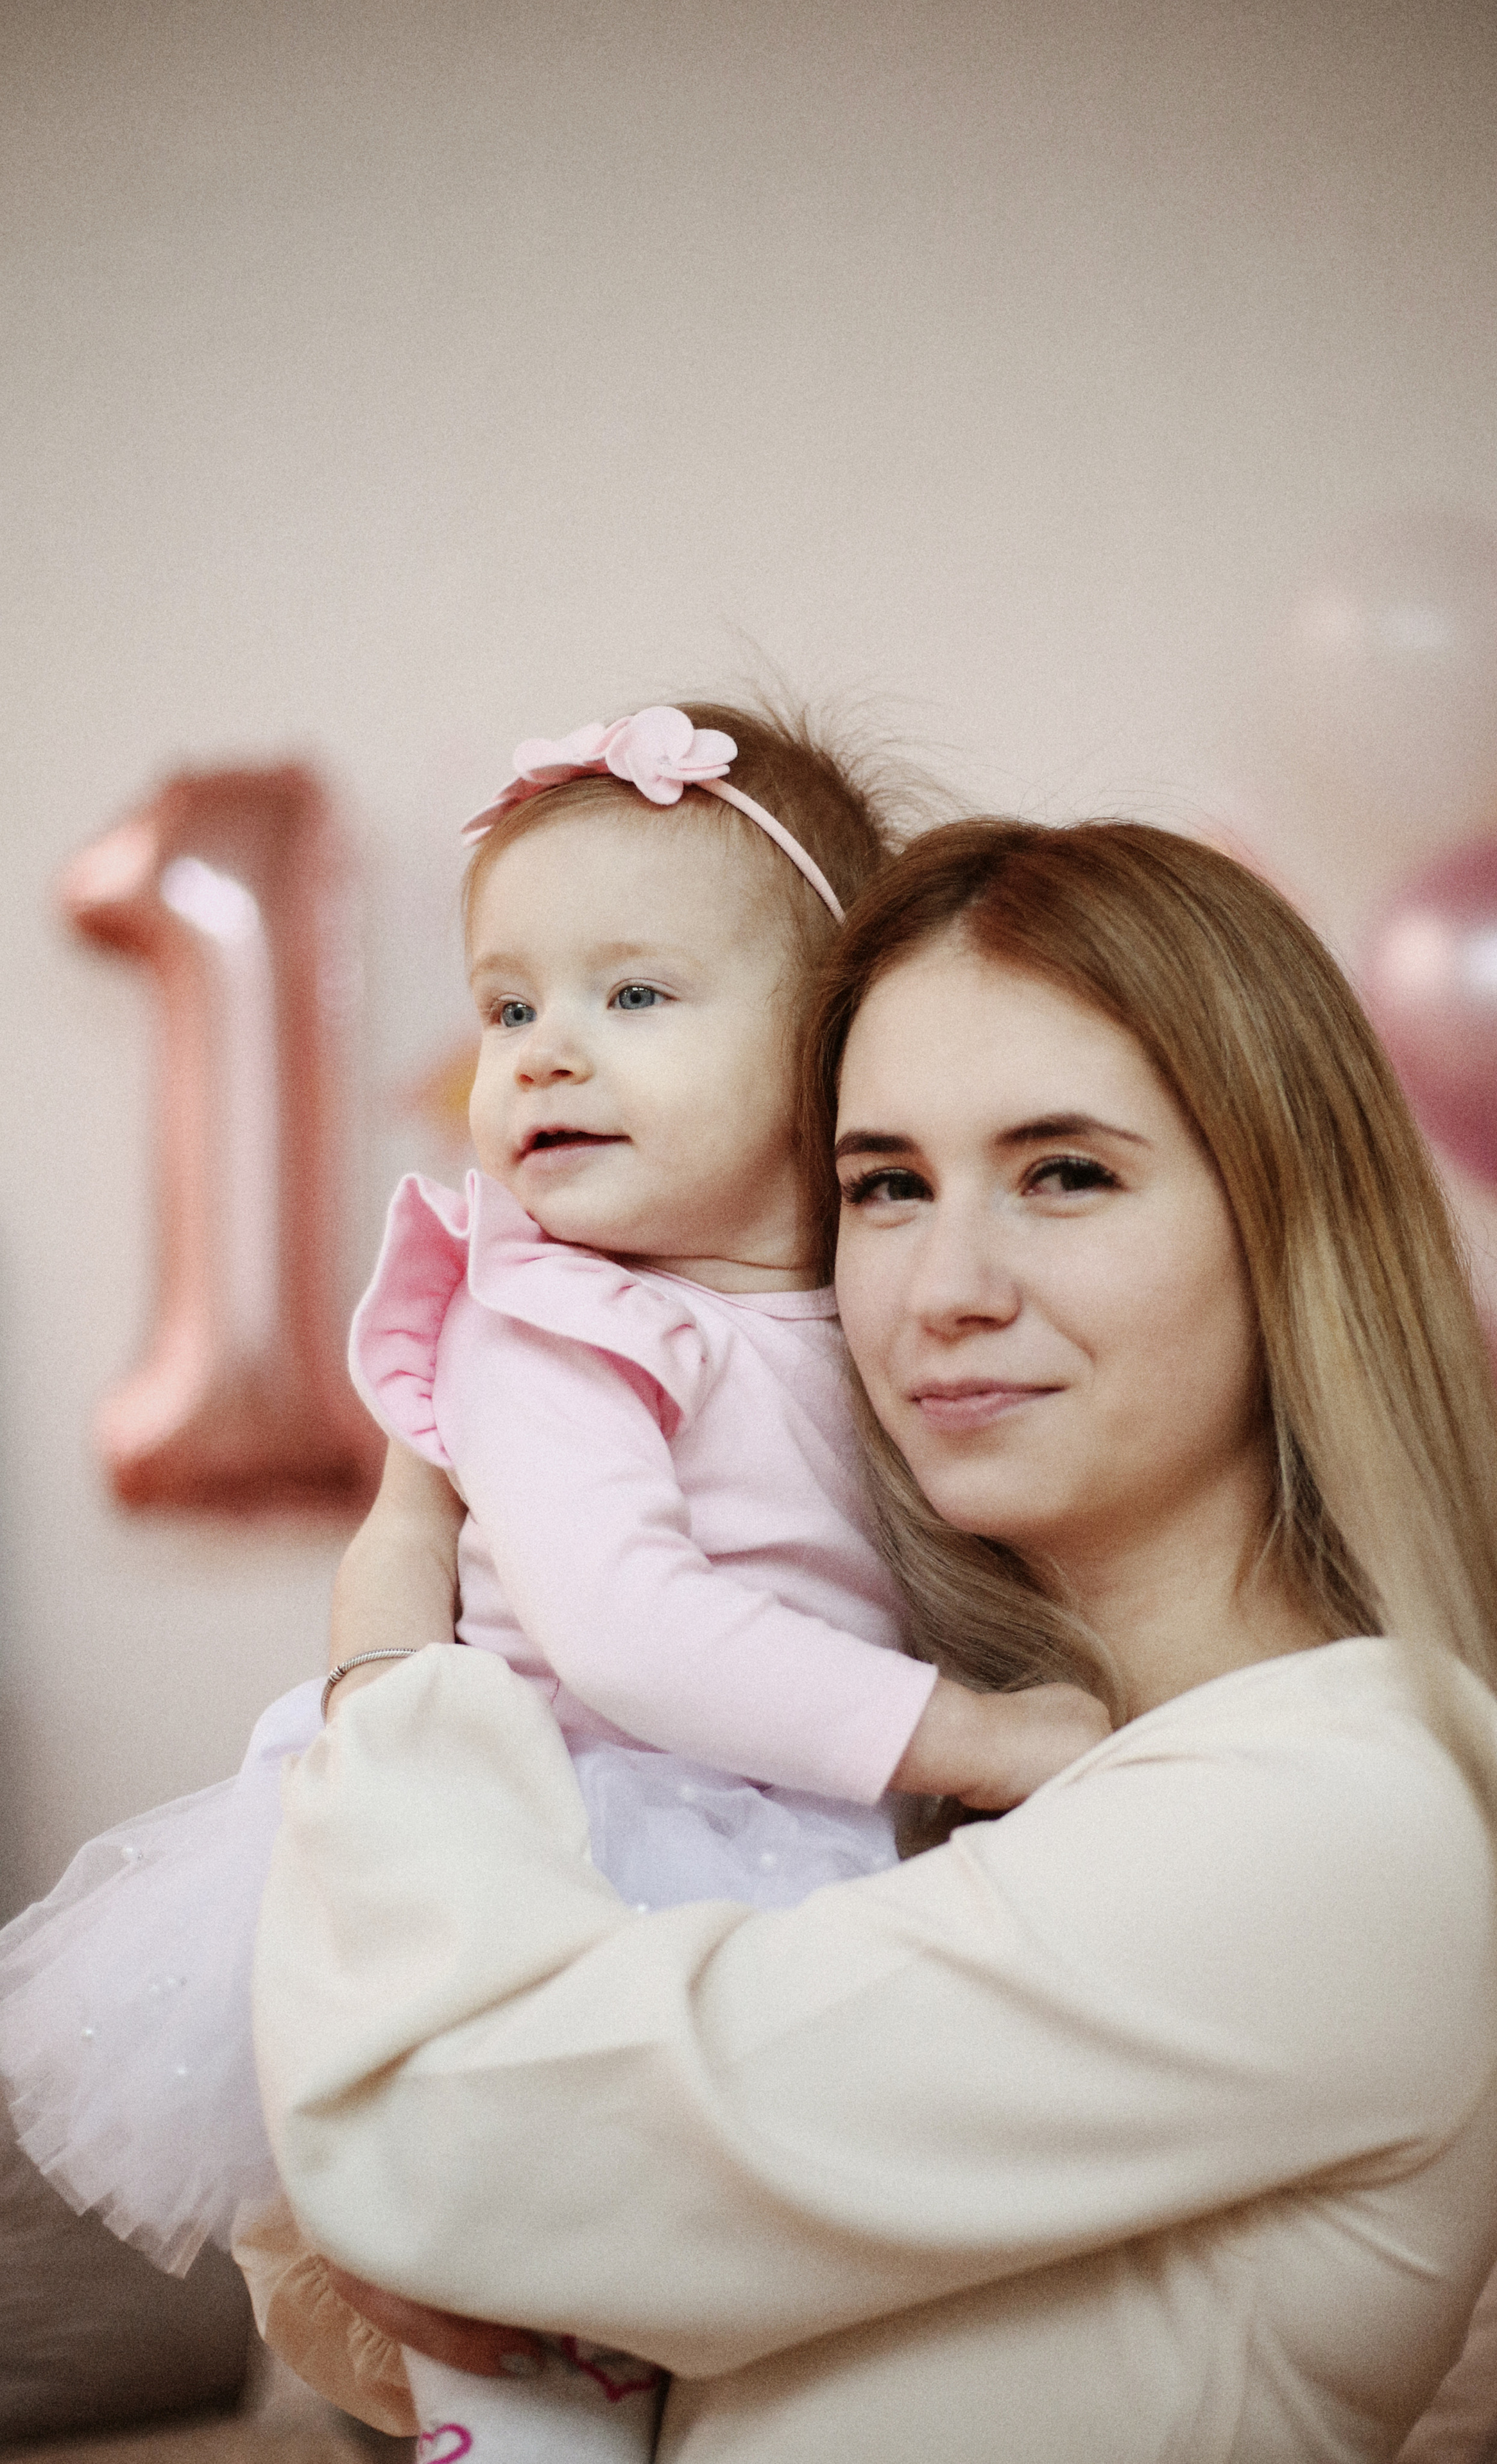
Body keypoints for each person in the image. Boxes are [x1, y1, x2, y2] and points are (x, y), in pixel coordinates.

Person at [253, 817, 1497, 2463]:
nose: (944, 1288)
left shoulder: (1354, 1807)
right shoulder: (934, 1781)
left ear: (1288, 1225)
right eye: (885, 1186)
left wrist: (396, 1659)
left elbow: (434, 2154)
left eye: (1065, 1173)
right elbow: (459, 2273)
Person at [0, 712, 1106, 2464]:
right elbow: (628, 1630)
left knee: (754, 2353)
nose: (545, 1057)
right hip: (566, 1855)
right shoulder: (558, 1323)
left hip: (776, 1841)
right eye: (510, 1007)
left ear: (832, 1046)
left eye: (635, 998)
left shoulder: (867, 1304)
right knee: (537, 2367)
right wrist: (971, 1733)